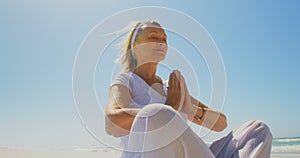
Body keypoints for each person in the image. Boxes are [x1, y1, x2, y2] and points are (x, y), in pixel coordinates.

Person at [105, 20, 273, 158]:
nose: (162, 42)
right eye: (153, 37)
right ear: (135, 46)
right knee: (159, 113)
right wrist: (170, 107)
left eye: (165, 39)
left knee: (257, 129)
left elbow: (220, 123)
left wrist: (190, 109)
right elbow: (112, 125)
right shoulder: (125, 80)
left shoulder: (171, 86)